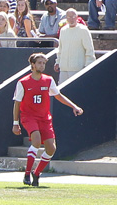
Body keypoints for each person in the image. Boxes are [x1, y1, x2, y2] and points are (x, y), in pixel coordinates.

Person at [13, 52, 84, 187]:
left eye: (44, 63)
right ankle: (27, 173)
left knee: (51, 148)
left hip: (45, 118)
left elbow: (58, 95)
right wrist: (15, 123)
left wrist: (74, 106)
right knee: (37, 141)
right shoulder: (23, 82)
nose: (42, 65)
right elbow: (17, 103)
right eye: (39, 63)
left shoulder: (48, 80)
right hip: (29, 116)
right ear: (32, 65)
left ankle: (37, 173)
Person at [56, 8, 97, 79]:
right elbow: (60, 49)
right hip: (64, 69)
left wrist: (88, 65)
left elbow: (89, 49)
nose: (71, 19)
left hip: (78, 69)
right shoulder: (63, 30)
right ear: (66, 18)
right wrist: (58, 62)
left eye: (73, 16)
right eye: (69, 17)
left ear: (77, 17)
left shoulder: (83, 30)